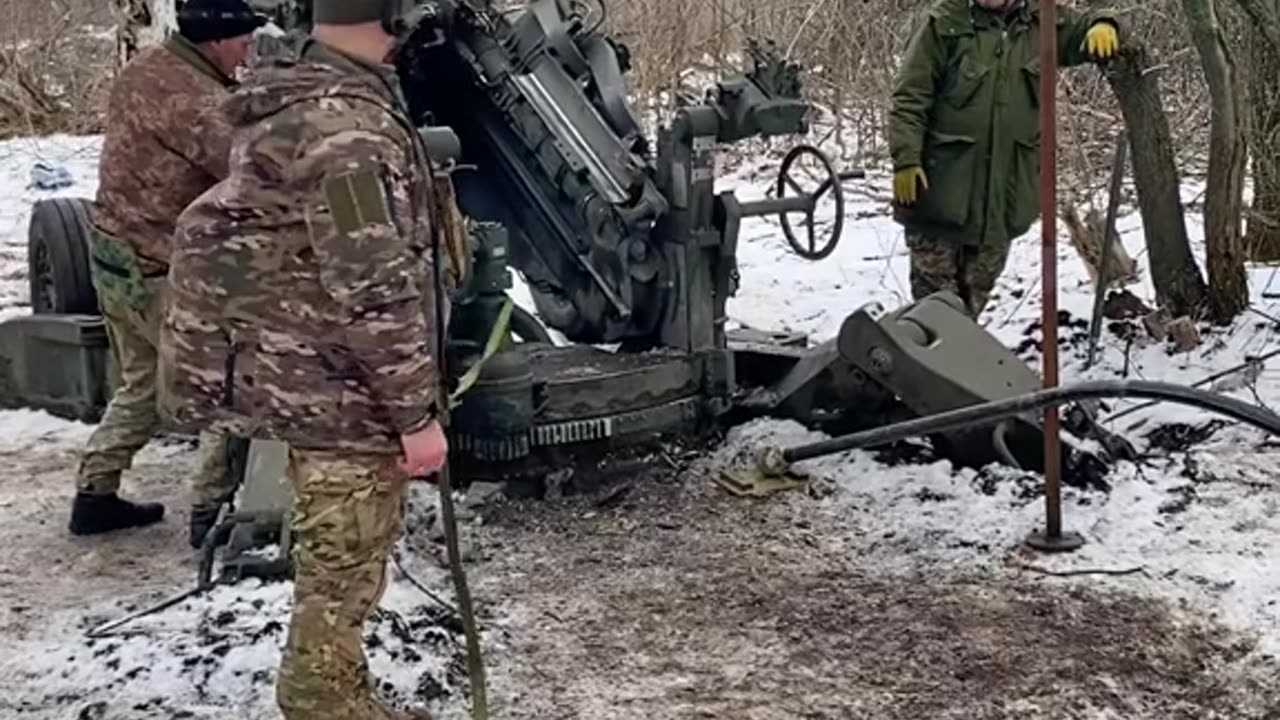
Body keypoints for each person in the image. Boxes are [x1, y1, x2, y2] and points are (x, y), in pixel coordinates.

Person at [158, 1, 447, 717]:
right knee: (346, 558)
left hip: (316, 373)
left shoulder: (315, 100)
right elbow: (372, 285)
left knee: (345, 556)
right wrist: (416, 417)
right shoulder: (345, 133)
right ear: (392, 16)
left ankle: (336, 687)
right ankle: (323, 699)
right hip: (338, 390)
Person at [71, 0, 265, 541]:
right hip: (162, 269)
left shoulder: (148, 69)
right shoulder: (196, 100)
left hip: (116, 258)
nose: (251, 48)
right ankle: (210, 514)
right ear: (214, 41)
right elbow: (254, 170)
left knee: (144, 386)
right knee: (227, 387)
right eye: (243, 39)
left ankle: (95, 493)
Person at [888, 0, 1120, 318]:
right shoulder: (944, 23)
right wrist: (906, 159)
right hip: (940, 194)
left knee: (969, 315)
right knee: (935, 317)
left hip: (1001, 205)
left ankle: (958, 363)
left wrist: (1106, 24)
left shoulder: (1044, 22)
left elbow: (1086, 26)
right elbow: (910, 96)